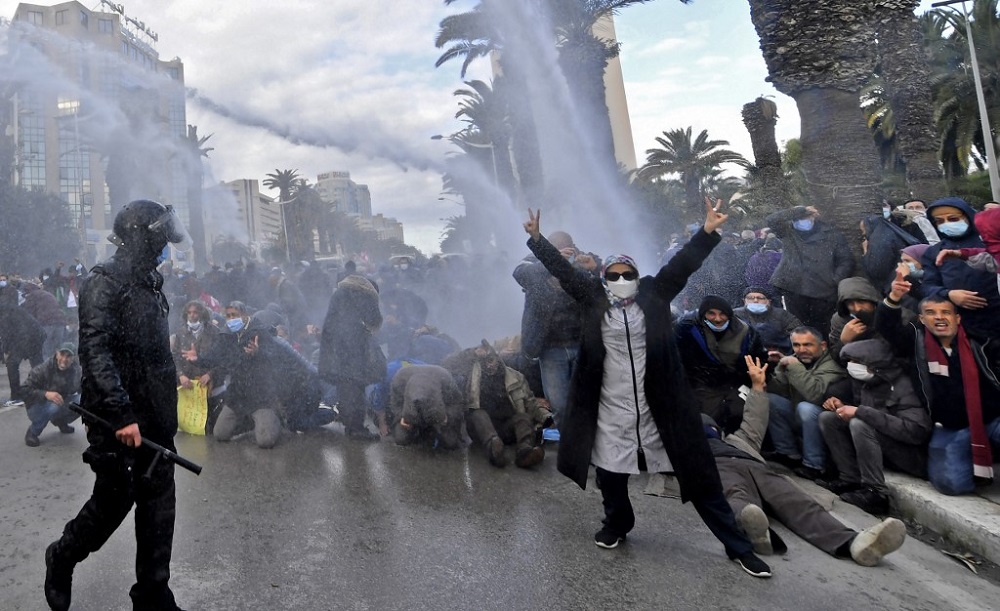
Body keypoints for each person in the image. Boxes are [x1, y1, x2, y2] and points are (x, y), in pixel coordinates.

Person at [523, 199, 772, 578]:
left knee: (698, 472)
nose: (622, 280)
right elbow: (563, 270)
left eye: (628, 273)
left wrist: (707, 231)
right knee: (610, 472)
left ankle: (737, 546)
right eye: (615, 274)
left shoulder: (656, 293)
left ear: (638, 275)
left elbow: (683, 264)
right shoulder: (591, 298)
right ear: (605, 278)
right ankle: (617, 525)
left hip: (661, 403)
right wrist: (539, 240)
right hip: (610, 404)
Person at [44, 199, 191, 611]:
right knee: (111, 506)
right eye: (161, 236)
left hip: (157, 419)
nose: (166, 244)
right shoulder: (104, 282)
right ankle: (62, 556)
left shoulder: (149, 280)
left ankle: (153, 597)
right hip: (118, 420)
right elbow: (96, 353)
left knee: (159, 511)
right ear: (144, 237)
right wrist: (122, 414)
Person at [709, 355, 907, 566]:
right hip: (718, 466)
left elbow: (755, 417)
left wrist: (758, 385)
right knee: (738, 497)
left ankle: (854, 543)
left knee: (798, 501)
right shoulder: (686, 449)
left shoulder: (739, 440)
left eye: (711, 428)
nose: (707, 431)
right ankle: (752, 531)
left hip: (754, 465)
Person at [876, 272, 1000, 496]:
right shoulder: (916, 341)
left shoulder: (979, 341)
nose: (939, 317)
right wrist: (894, 298)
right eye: (931, 313)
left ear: (957, 318)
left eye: (946, 312)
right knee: (951, 484)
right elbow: (887, 328)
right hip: (951, 427)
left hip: (991, 419)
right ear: (922, 319)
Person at [817, 339, 932, 515]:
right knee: (829, 418)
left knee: (860, 423)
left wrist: (860, 412)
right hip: (882, 446)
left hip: (910, 455)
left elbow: (916, 432)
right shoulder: (867, 382)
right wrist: (843, 406)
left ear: (874, 364)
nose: (851, 366)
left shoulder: (903, 386)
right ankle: (850, 479)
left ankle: (876, 493)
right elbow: (872, 411)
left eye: (856, 362)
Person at [513, 230, 598, 430]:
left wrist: (593, 268)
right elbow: (520, 274)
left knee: (585, 399)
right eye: (555, 249)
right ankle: (569, 444)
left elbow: (599, 288)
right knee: (559, 403)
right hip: (551, 347)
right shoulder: (533, 262)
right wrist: (553, 261)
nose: (563, 253)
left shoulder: (583, 260)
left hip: (581, 342)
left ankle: (588, 441)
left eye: (565, 248)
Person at [443, 340, 549, 469]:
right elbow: (447, 364)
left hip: (506, 428)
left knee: (523, 417)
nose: (489, 365)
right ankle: (494, 449)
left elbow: (531, 404)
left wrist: (548, 418)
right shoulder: (472, 373)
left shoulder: (516, 377)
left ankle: (525, 453)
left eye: (491, 360)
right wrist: (472, 352)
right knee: (478, 413)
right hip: (480, 429)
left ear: (498, 358)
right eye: (485, 362)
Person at [675, 294, 768, 433]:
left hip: (737, 383)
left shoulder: (746, 333)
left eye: (722, 314)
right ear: (703, 314)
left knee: (741, 413)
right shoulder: (686, 328)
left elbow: (759, 360)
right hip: (701, 384)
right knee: (706, 418)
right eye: (711, 313)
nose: (717, 319)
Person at [766, 326, 848, 480]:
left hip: (827, 426)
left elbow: (814, 395)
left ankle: (815, 465)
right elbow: (781, 392)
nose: (801, 349)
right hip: (802, 420)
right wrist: (780, 367)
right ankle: (788, 453)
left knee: (806, 408)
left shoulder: (831, 366)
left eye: (807, 345)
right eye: (796, 345)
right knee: (771, 400)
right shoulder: (799, 361)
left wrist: (794, 366)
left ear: (822, 346)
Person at [765, 205, 854, 338]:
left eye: (805, 217)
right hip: (794, 288)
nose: (801, 221)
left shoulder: (831, 234)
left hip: (823, 289)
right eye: (798, 218)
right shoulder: (788, 231)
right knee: (799, 328)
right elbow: (772, 219)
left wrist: (834, 279)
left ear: (814, 217)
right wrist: (798, 210)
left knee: (824, 329)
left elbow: (845, 260)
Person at [918, 197, 1000, 340]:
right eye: (939, 221)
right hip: (963, 326)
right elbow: (927, 286)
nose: (947, 224)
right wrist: (949, 294)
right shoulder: (934, 252)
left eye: (953, 219)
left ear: (968, 217)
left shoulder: (990, 242)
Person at [319, 274, 385, 441]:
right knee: (355, 387)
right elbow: (374, 319)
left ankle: (349, 424)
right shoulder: (365, 294)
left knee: (345, 386)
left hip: (335, 347)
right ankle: (356, 428)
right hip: (353, 347)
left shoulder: (340, 292)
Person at [22, 342, 81, 447]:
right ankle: (33, 432)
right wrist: (45, 394)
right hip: (36, 406)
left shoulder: (76, 371)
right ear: (56, 354)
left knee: (83, 400)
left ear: (73, 359)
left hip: (59, 402)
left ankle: (60, 421)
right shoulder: (42, 369)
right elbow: (23, 390)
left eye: (68, 356)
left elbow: (83, 388)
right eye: (62, 354)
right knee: (54, 405)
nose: (64, 359)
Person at [0, 302, 46, 407]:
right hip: (37, 334)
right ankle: (45, 391)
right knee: (37, 364)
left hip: (26, 336)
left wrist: (7, 350)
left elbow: (6, 332)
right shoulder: (7, 307)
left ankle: (16, 397)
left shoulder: (3, 312)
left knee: (12, 363)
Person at [732, 286, 801, 337]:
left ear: (769, 301)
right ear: (744, 301)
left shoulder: (782, 315)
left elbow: (798, 332)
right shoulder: (735, 314)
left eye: (760, 298)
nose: (755, 300)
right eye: (750, 298)